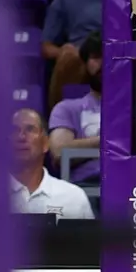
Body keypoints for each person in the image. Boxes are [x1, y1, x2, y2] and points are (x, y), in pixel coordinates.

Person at [10, 108, 94, 219]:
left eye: (30, 129)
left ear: (45, 143)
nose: (21, 137)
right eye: (15, 130)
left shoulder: (74, 197)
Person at [48, 33, 103, 184]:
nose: (104, 63)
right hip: (85, 187)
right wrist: (113, 140)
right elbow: (59, 152)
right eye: (97, 57)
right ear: (85, 65)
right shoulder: (67, 109)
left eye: (112, 56)